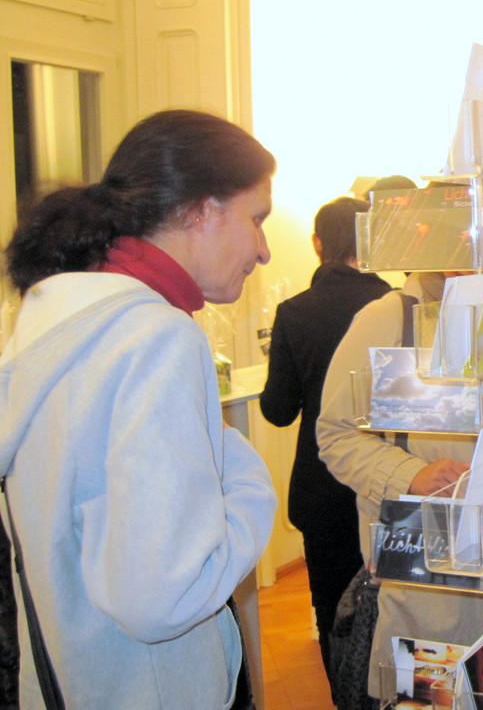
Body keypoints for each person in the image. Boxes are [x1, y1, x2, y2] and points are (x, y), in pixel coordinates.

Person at [0, 109, 277, 709]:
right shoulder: (156, 338)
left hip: (74, 680)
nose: (263, 250)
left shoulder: (58, 321)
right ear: (201, 209)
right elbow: (164, 598)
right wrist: (252, 492)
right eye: (256, 219)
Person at [316, 201, 483, 700]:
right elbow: (336, 434)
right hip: (424, 578)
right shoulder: (390, 318)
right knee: (424, 698)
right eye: (468, 239)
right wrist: (411, 475)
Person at [259, 194, 393, 676]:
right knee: (395, 610)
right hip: (389, 479)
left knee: (333, 614)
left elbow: (278, 410)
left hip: (322, 486)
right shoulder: (397, 305)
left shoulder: (295, 312)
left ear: (317, 244)